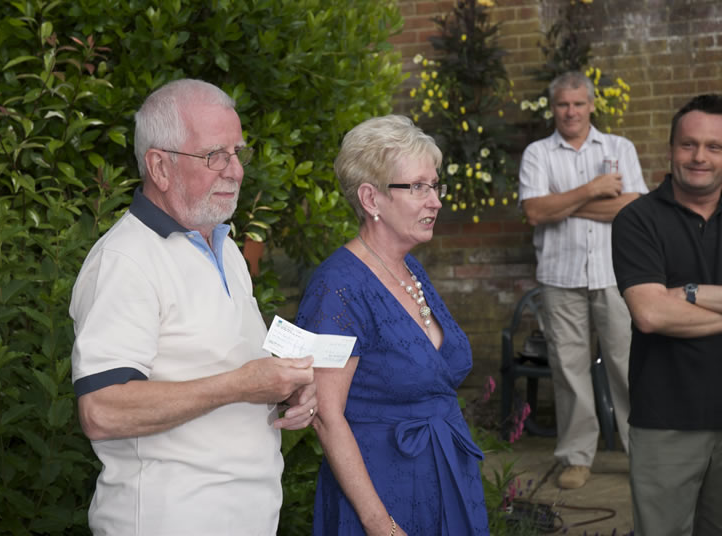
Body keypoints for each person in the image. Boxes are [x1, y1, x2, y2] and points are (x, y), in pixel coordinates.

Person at [69, 78, 317, 535]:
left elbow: (224, 365)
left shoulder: (223, 245)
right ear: (159, 167)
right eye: (213, 156)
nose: (236, 171)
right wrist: (240, 385)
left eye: (238, 153)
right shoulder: (125, 261)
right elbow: (102, 409)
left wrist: (286, 389)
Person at [295, 115, 489, 535]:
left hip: (446, 478)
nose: (434, 200)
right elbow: (326, 416)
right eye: (417, 187)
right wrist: (380, 524)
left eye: (434, 186)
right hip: (382, 493)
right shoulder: (339, 286)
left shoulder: (411, 270)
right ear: (371, 198)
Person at [518, 71, 649, 489]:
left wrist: (563, 202)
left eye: (577, 103)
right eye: (562, 104)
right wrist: (593, 189)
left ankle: (643, 453)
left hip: (616, 274)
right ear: (552, 107)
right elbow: (535, 213)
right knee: (569, 370)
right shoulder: (538, 153)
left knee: (628, 367)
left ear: (591, 105)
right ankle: (576, 457)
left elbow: (635, 210)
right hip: (560, 277)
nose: (570, 111)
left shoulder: (619, 148)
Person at [612, 94, 722, 535]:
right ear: (670, 149)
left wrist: (689, 294)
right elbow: (651, 313)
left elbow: (668, 305)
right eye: (689, 144)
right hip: (667, 422)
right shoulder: (637, 220)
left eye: (715, 146)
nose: (700, 157)